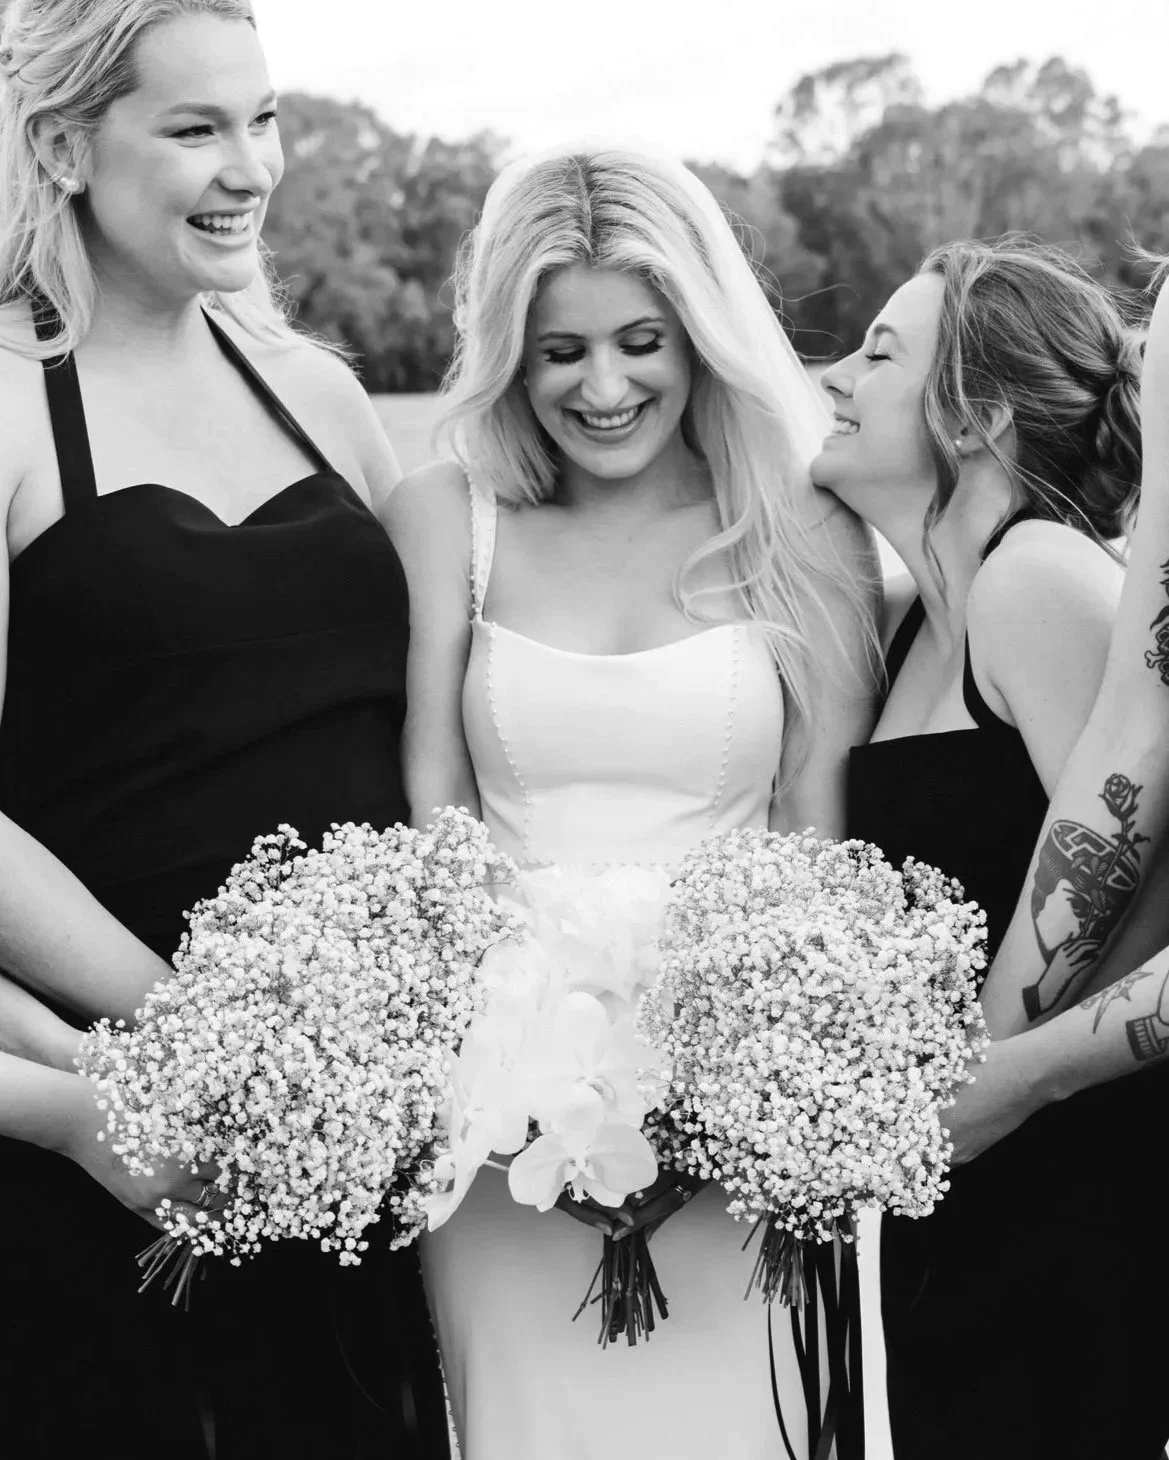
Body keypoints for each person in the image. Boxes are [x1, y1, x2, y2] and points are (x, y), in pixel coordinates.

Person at [0, 2, 447, 1455]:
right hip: (124, 1134)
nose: (248, 165)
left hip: (368, 1130)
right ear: (65, 145)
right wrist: (190, 1036)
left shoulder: (319, 394)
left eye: (262, 119)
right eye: (194, 129)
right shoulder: (7, 409)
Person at [387, 145, 879, 1458]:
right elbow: (434, 805)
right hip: (501, 1140)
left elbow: (813, 828)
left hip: (743, 1118)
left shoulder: (802, 528)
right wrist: (517, 1089)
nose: (602, 388)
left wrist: (734, 1098)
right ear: (508, 353)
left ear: (700, 330)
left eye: (641, 339)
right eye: (559, 351)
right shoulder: (446, 518)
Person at [815, 236, 1152, 1458]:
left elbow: (1150, 913)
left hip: (1084, 1199)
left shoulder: (1038, 583)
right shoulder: (918, 623)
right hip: (963, 1188)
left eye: (878, 350)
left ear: (977, 415)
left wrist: (1000, 1082)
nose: (834, 374)